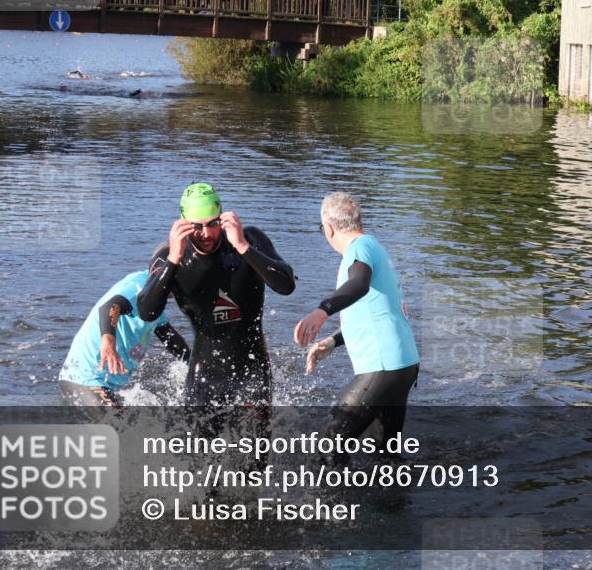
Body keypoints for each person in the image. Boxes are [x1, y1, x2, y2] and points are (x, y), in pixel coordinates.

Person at [138, 183, 297, 406]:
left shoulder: (249, 238)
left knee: (256, 442)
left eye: (212, 224)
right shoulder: (169, 256)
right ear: (182, 223)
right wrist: (174, 258)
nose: (205, 233)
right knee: (196, 442)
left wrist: (242, 246)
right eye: (196, 226)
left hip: (252, 369)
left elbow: (286, 285)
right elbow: (147, 312)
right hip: (205, 374)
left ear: (222, 218)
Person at [294, 192, 420, 457]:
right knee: (386, 457)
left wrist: (322, 310)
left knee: (329, 448)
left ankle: (334, 500)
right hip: (402, 365)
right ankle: (392, 499)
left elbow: (358, 285)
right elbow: (376, 312)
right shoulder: (373, 247)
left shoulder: (358, 248)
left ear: (328, 228)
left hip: (383, 367)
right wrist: (332, 341)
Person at [59, 262, 190, 407]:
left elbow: (172, 340)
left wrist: (198, 366)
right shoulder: (138, 288)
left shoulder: (154, 302)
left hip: (106, 386)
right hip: (84, 380)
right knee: (118, 426)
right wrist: (108, 341)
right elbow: (110, 306)